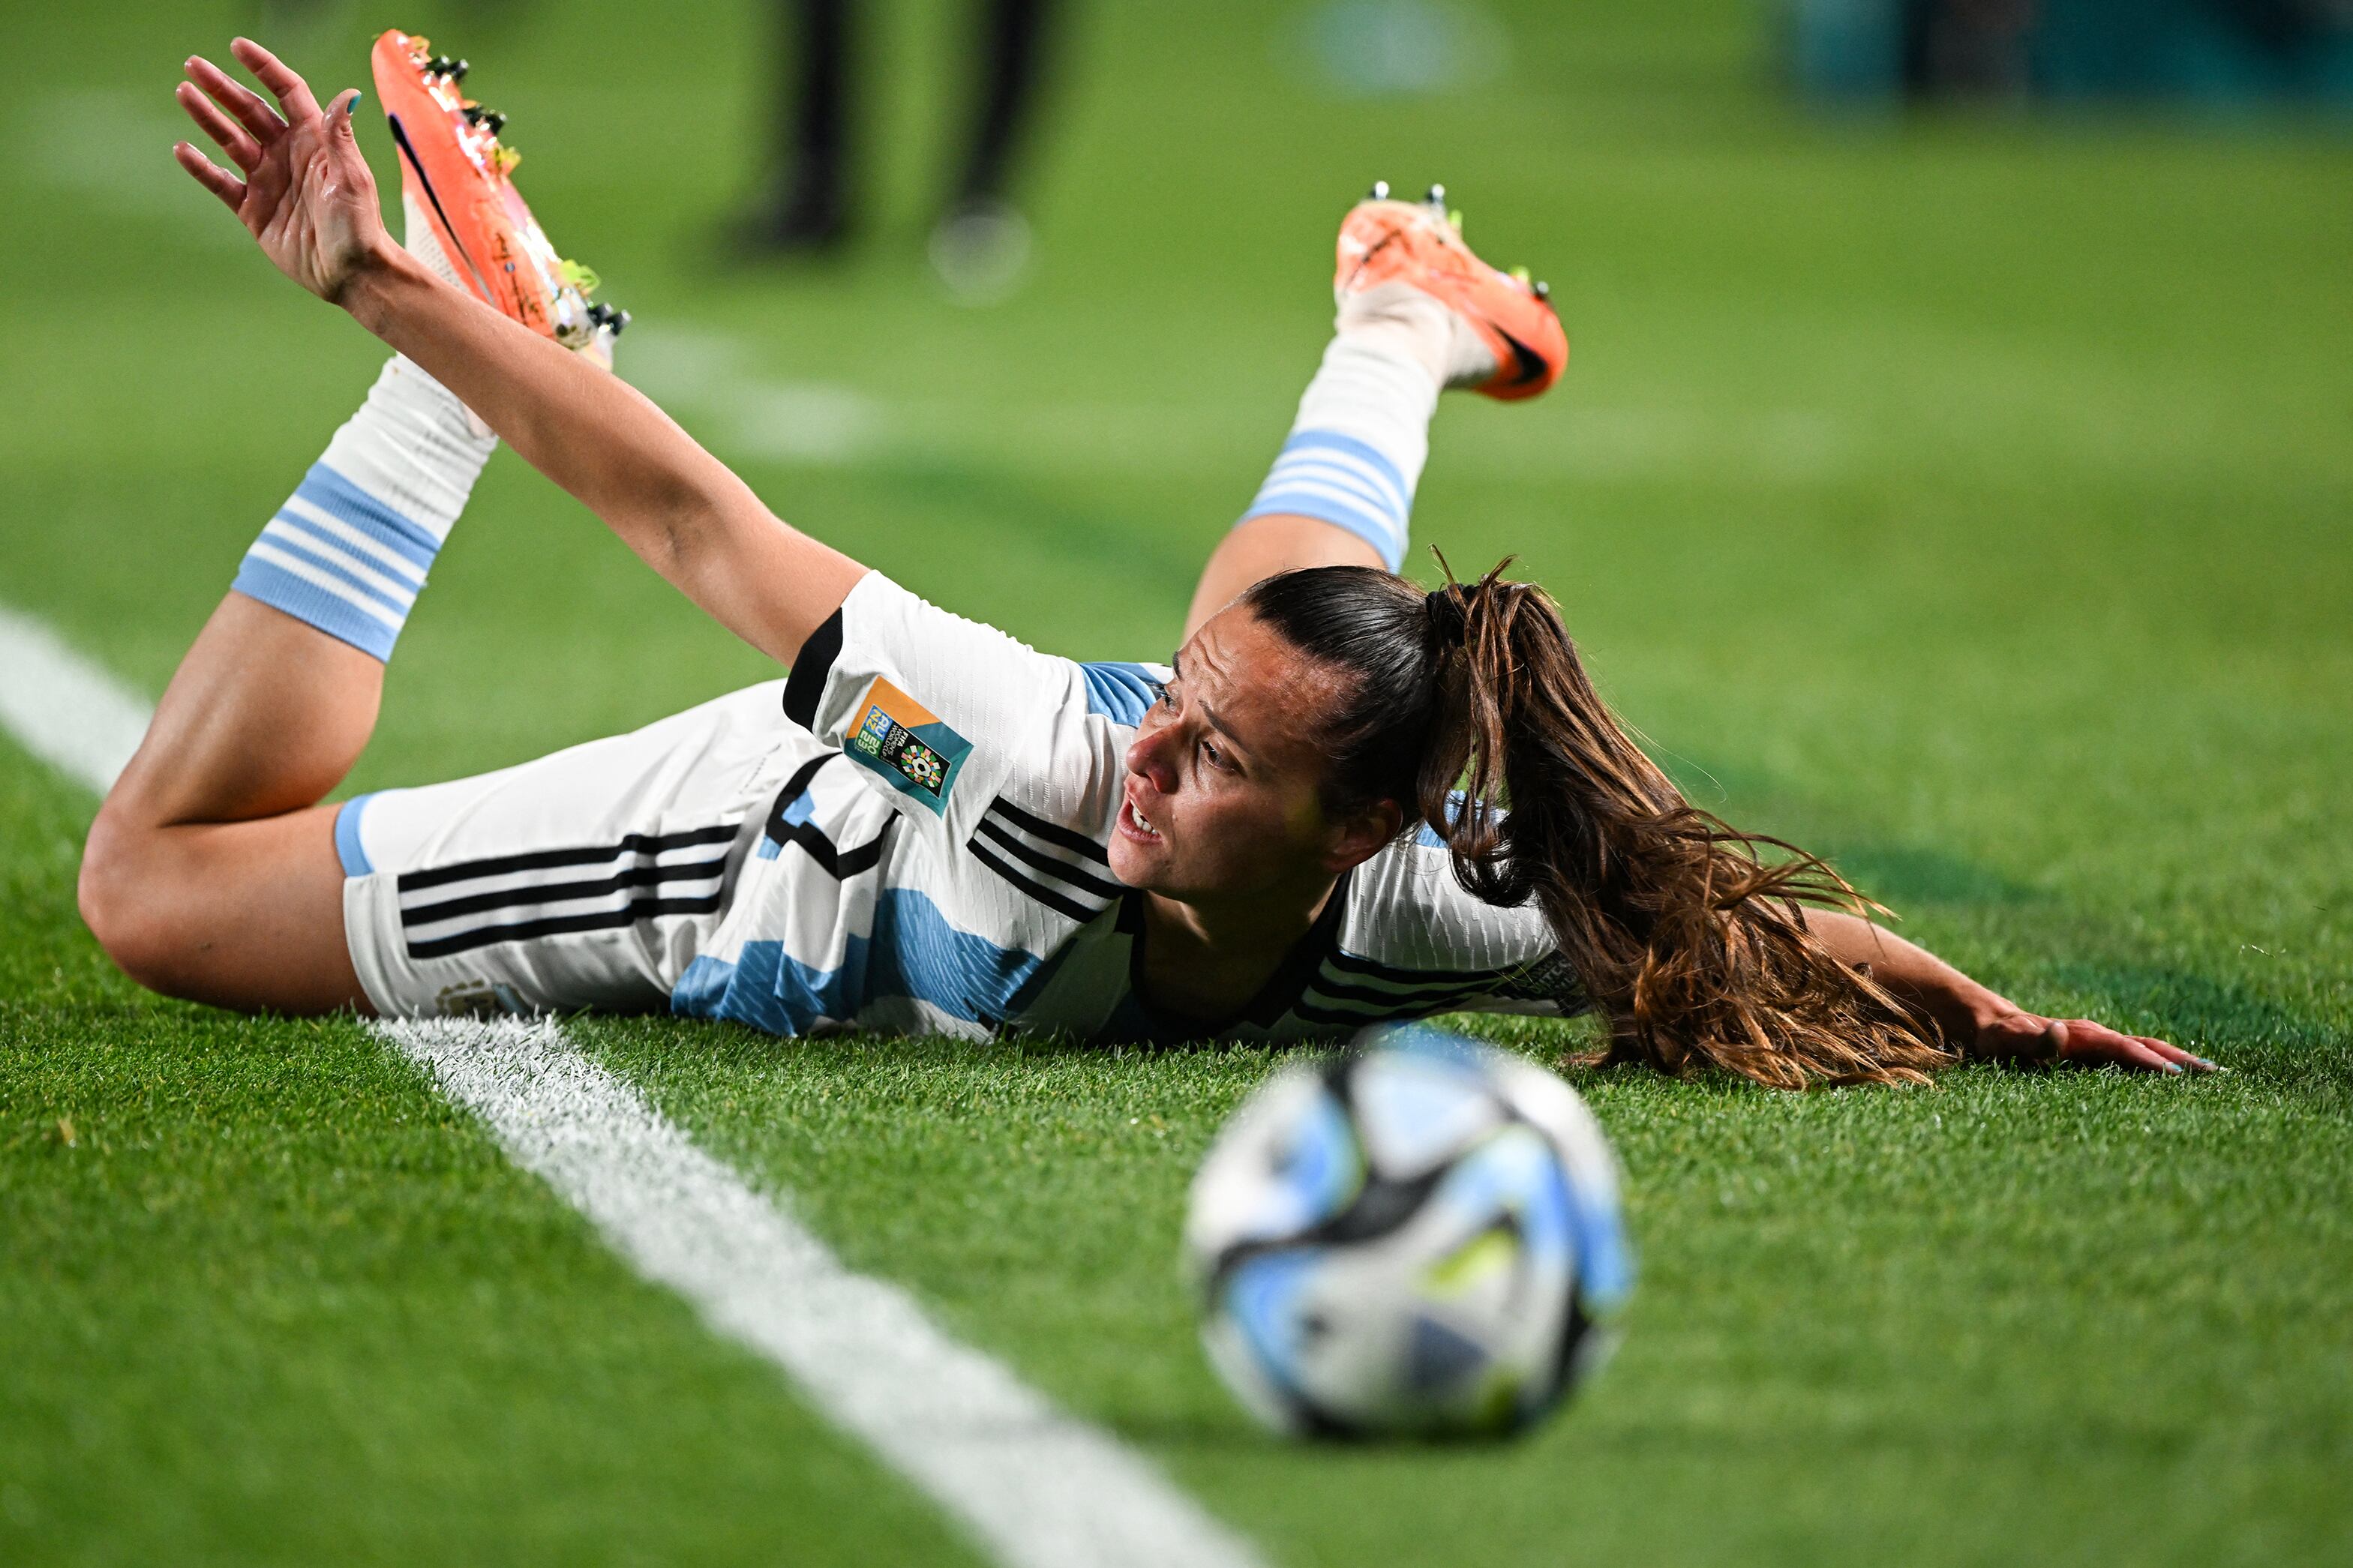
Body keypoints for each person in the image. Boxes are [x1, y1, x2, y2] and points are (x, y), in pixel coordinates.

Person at [86, 36, 2216, 1090]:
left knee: (1303, 622)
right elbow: (690, 522)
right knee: (150, 889)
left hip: (1190, 790)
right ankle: (475, 373)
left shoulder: (1422, 899)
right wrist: (395, 305)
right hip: (743, 852)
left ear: (1369, 832)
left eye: (1211, 764)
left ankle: (1399, 313)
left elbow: (1700, 924)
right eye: (1173, 724)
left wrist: (1993, 1014)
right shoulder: (1042, 758)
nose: (1153, 761)